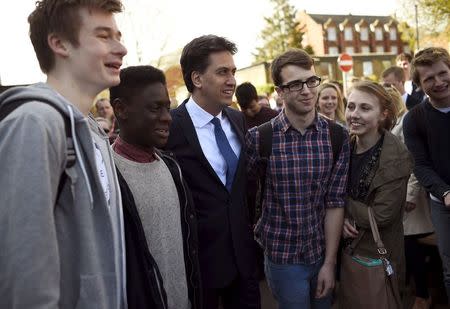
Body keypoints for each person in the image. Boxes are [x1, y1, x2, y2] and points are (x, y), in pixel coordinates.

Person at [0, 1, 128, 308]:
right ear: (59, 43)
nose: (121, 48)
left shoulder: (95, 133)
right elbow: (23, 274)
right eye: (103, 35)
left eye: (118, 35)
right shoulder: (33, 124)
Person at [246, 49, 350, 308]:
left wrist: (330, 262)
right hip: (283, 257)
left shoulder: (338, 137)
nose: (306, 90)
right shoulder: (259, 138)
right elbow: (247, 196)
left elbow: (335, 203)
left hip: (322, 253)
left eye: (311, 81)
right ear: (279, 91)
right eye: (295, 84)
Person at [165, 35, 260, 309]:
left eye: (233, 72)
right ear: (197, 78)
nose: (232, 80)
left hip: (244, 263)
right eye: (222, 72)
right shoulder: (170, 127)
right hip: (199, 268)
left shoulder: (238, 119)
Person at [109, 65, 202, 309]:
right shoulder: (107, 178)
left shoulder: (172, 167)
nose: (167, 117)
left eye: (167, 107)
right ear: (121, 109)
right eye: (155, 108)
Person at [342, 81, 413, 305]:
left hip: (375, 253)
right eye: (351, 106)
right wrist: (341, 216)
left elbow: (382, 215)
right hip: (346, 251)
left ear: (383, 114)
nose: (354, 114)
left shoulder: (395, 157)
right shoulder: (345, 144)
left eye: (365, 108)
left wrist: (341, 204)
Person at [403, 47, 450, 304]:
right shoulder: (414, 119)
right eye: (429, 78)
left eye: (443, 73)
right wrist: (444, 192)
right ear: (419, 84)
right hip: (442, 202)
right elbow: (420, 165)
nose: (439, 82)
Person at [387, 85, 434, 309]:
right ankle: (414, 289)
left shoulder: (406, 123)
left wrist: (411, 194)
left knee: (410, 242)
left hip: (411, 198)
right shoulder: (388, 125)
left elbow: (416, 163)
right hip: (396, 196)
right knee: (405, 243)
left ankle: (422, 294)